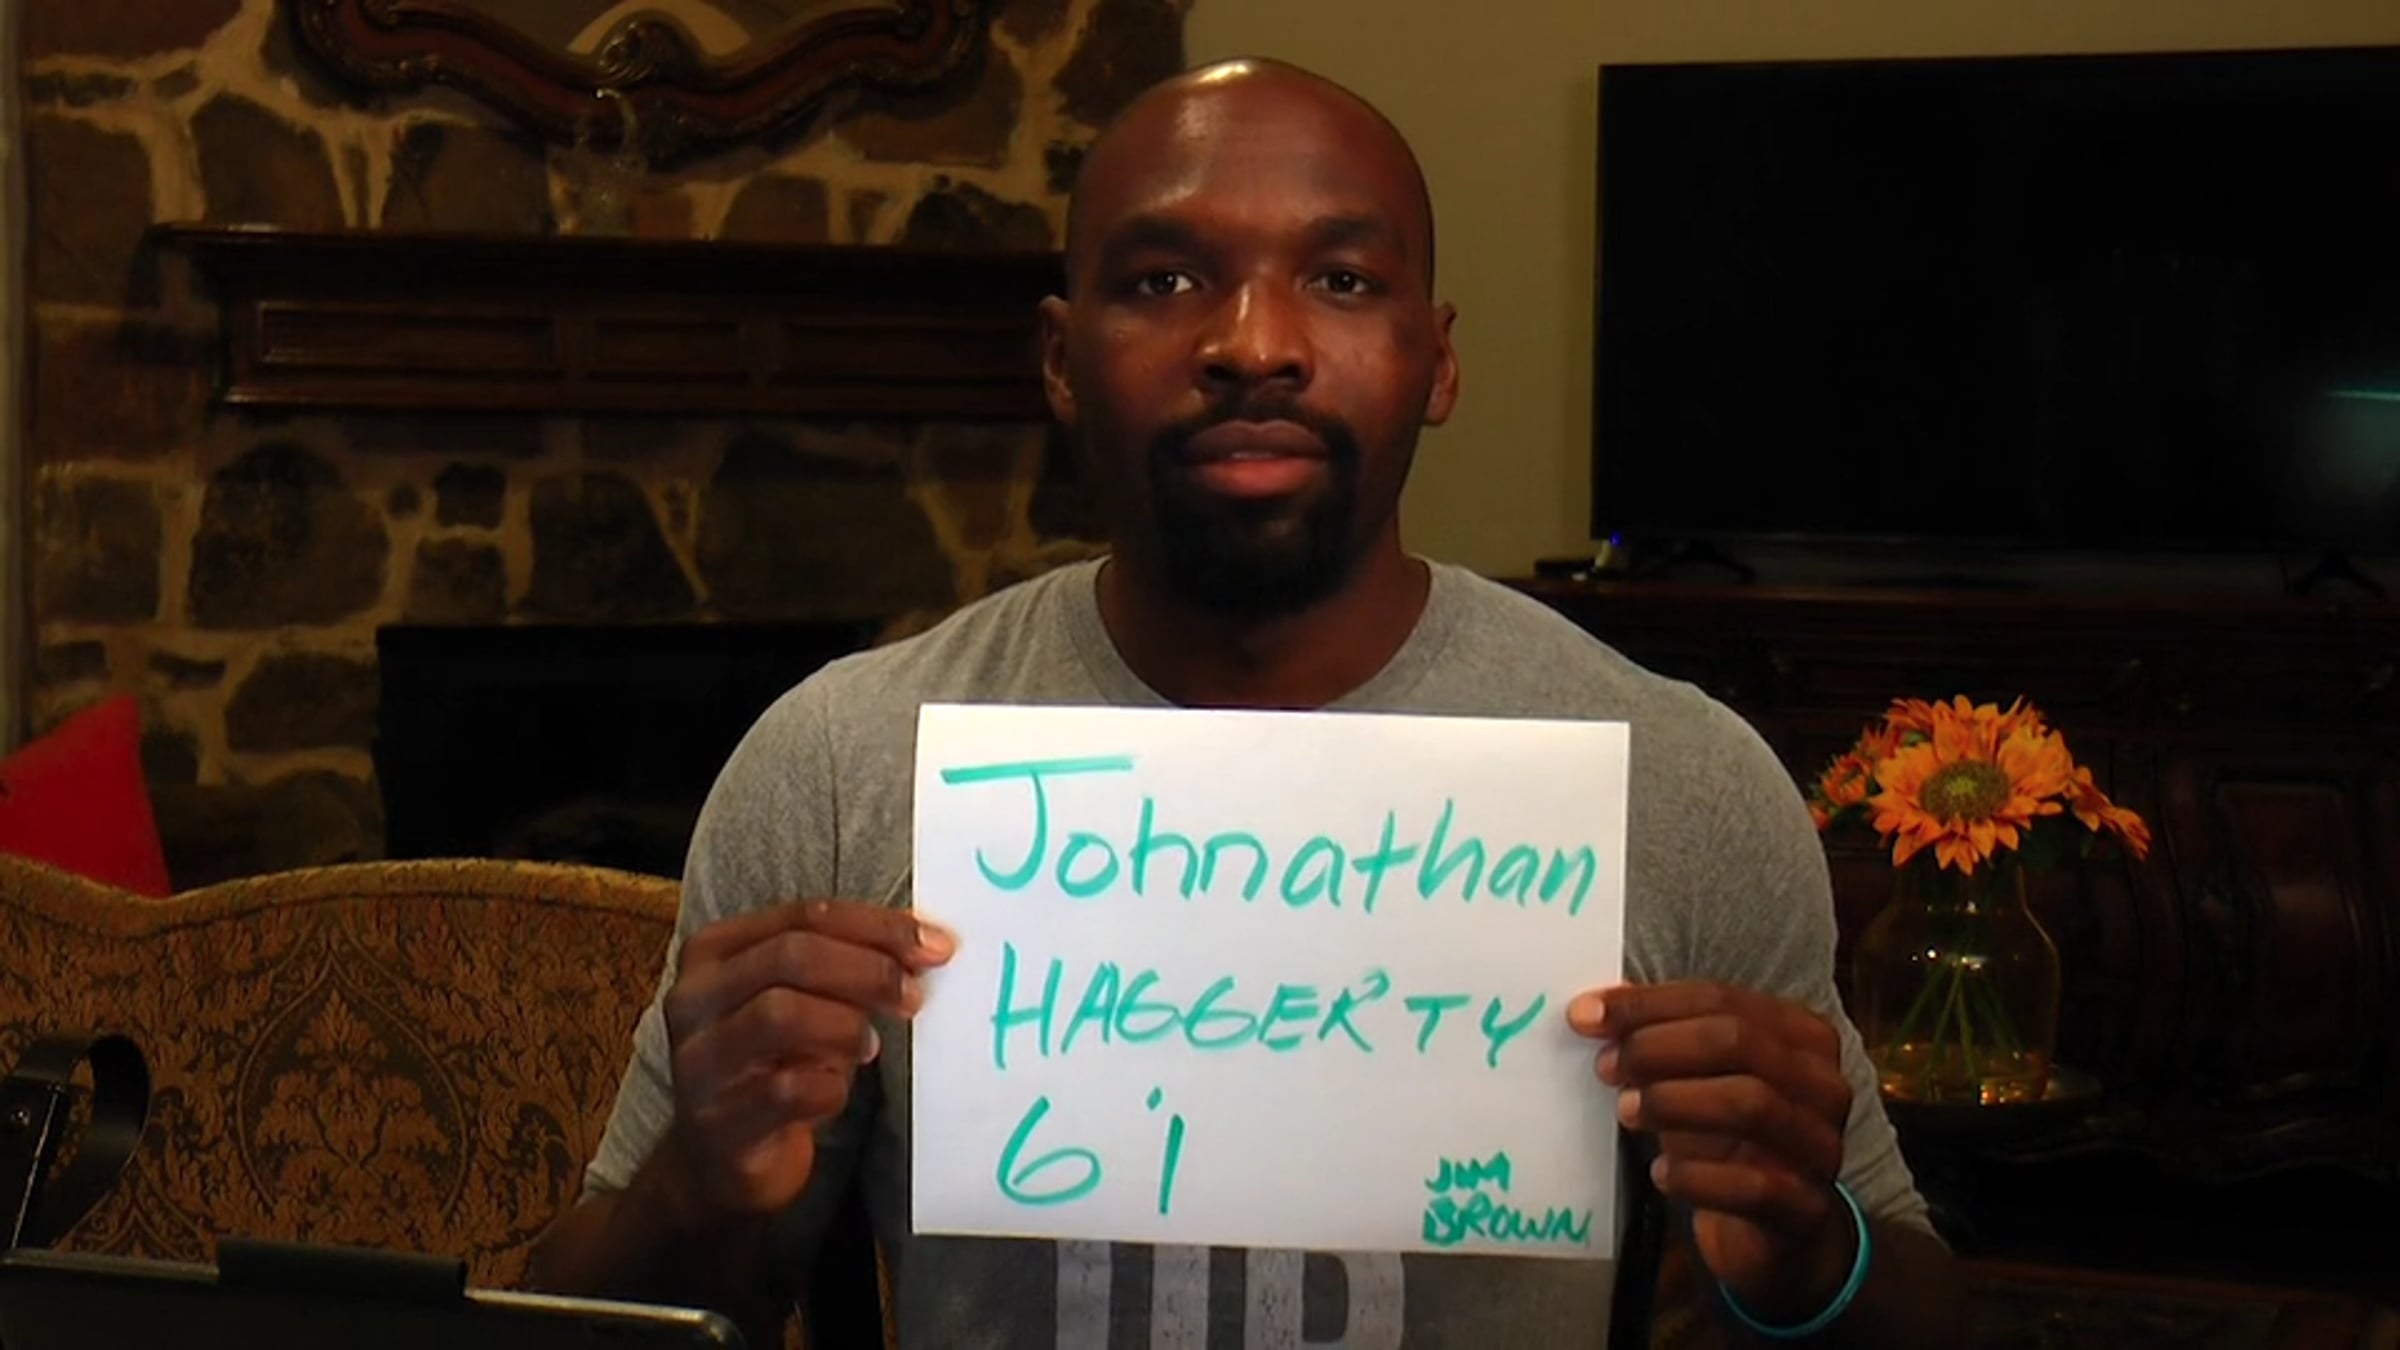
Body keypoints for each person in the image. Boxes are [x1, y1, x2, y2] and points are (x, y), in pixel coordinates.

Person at [528, 56, 1965, 1348]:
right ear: (1059, 360)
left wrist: (1805, 1250)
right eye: (1165, 280)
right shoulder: (842, 761)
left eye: (1339, 279)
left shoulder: (1680, 776)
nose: (1255, 343)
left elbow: (1924, 1306)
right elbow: (583, 1311)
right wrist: (698, 1189)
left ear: (1439, 359)